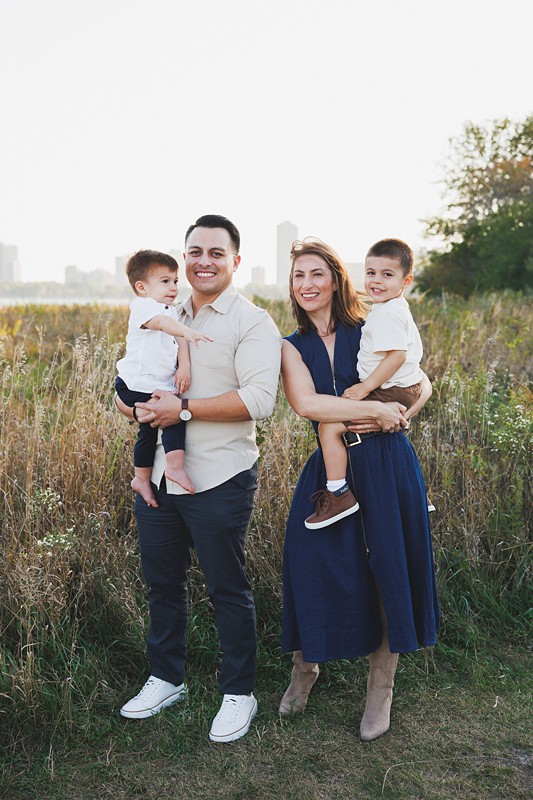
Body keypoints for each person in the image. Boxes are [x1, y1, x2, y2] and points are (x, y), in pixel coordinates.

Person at [115, 215, 281, 743]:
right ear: (183, 259)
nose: (203, 260)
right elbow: (138, 380)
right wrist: (129, 405)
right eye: (194, 251)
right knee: (163, 585)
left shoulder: (252, 322)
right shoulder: (166, 308)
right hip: (161, 478)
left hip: (220, 477)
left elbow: (260, 401)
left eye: (215, 251)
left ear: (236, 258)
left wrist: (180, 410)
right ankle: (167, 678)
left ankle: (240, 692)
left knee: (227, 587)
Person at [279, 238, 440, 742]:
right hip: (333, 465)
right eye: (298, 276)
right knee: (310, 563)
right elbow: (308, 405)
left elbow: (422, 379)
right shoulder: (289, 344)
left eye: (316, 274)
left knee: (388, 567)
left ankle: (381, 688)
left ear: (335, 279)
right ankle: (306, 668)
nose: (307, 284)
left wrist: (402, 416)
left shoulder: (370, 323)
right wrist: (373, 409)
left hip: (387, 461)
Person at [305, 238, 430, 529]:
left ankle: (338, 493)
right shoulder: (389, 307)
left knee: (329, 427)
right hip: (402, 387)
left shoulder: (388, 313)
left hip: (390, 389)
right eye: (371, 272)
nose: (376, 281)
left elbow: (396, 356)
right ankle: (416, 494)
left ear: (406, 280)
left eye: (387, 275)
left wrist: (364, 388)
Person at [116, 250, 213, 507]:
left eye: (175, 281)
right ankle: (175, 467)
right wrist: (189, 331)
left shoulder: (169, 311)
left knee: (148, 432)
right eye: (165, 281)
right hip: (135, 384)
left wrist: (185, 366)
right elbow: (163, 325)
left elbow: (177, 337)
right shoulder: (144, 307)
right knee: (173, 417)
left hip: (154, 385)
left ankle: (141, 478)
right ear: (142, 287)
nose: (173, 287)